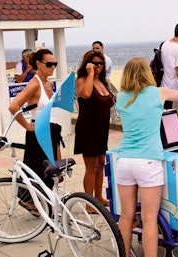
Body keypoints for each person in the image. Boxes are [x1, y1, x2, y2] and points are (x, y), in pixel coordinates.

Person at [115, 57, 178, 257]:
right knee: (149, 219)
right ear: (148, 73)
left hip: (125, 161)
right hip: (148, 162)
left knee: (126, 217)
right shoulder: (158, 93)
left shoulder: (120, 97)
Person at [8, 49, 63, 216]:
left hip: (51, 130)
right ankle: (32, 202)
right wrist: (27, 126)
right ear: (38, 64)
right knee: (38, 170)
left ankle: (45, 204)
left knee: (51, 170)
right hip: (39, 131)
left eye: (55, 64)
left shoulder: (48, 83)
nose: (53, 67)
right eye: (49, 64)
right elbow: (13, 106)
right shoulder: (34, 83)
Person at [74, 50, 114, 206]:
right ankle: (89, 202)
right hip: (88, 128)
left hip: (101, 128)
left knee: (101, 163)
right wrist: (90, 74)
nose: (98, 66)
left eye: (101, 63)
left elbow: (109, 101)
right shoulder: (82, 80)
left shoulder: (103, 82)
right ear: (87, 64)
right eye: (94, 63)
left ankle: (98, 197)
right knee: (91, 166)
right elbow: (86, 94)